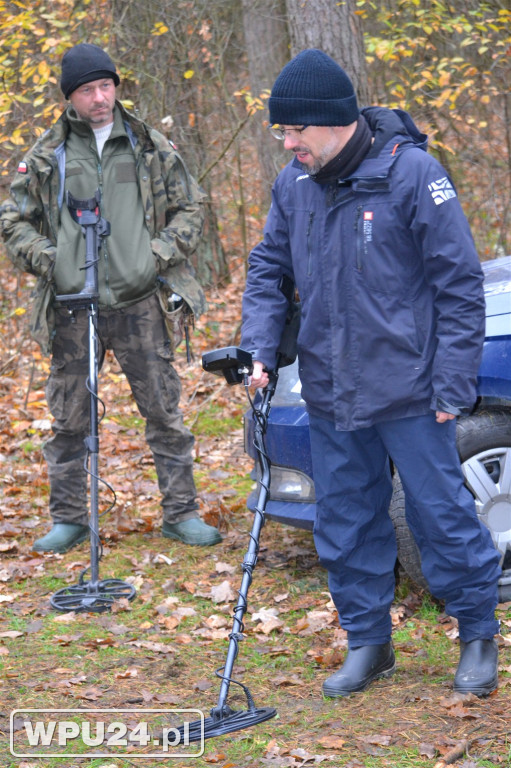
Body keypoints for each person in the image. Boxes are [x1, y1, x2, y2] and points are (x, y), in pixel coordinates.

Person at [241, 49, 501, 697]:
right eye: (281, 131)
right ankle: (368, 644)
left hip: (412, 392)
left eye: (295, 129)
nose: (288, 142)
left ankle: (475, 635)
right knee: (346, 522)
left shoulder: (411, 175)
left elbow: (459, 287)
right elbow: (267, 271)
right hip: (332, 391)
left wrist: (451, 383)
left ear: (334, 122)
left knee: (440, 516)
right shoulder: (293, 185)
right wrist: (260, 349)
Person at [0, 43, 221, 552]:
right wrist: (51, 260)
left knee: (164, 412)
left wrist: (157, 254)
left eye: (105, 86)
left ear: (116, 87)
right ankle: (70, 519)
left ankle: (181, 513)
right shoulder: (47, 154)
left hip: (140, 299)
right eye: (86, 90)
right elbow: (13, 220)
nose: (99, 98)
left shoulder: (148, 145)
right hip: (73, 305)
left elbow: (192, 207)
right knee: (69, 419)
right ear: (70, 97)